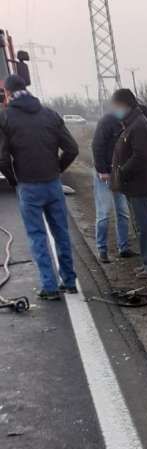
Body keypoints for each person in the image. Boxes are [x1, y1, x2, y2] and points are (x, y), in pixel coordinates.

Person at [0, 74, 79, 300]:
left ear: (7, 93)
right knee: (61, 233)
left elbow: (3, 160)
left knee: (37, 236)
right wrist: (57, 170)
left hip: (28, 186)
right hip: (53, 184)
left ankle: (50, 286)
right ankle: (70, 281)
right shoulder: (50, 114)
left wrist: (15, 181)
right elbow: (72, 149)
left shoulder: (5, 118)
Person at [109, 89, 147, 278]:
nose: (114, 110)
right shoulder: (132, 124)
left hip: (137, 183)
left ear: (126, 105)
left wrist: (122, 171)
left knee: (145, 224)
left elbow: (141, 155)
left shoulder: (139, 126)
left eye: (116, 106)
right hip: (132, 184)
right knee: (140, 226)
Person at [92, 108, 134, 263]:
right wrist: (102, 170)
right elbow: (97, 146)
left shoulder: (130, 123)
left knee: (123, 212)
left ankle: (124, 248)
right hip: (104, 173)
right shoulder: (107, 121)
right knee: (103, 213)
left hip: (119, 173)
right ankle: (102, 249)